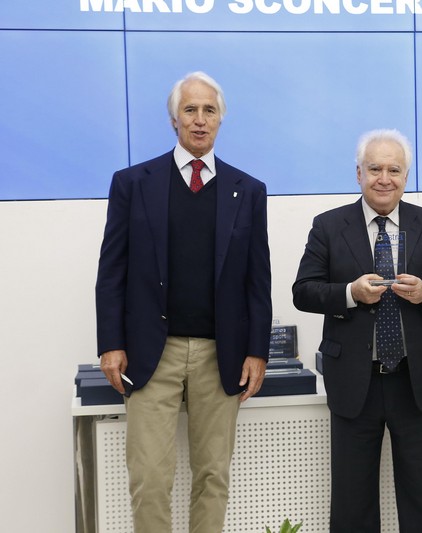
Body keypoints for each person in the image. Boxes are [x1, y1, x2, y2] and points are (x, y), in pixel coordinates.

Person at [95, 71, 272, 533]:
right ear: (174, 119)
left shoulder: (249, 190)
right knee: (150, 479)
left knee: (213, 477)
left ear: (220, 119)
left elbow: (258, 281)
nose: (199, 119)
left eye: (209, 110)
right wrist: (111, 343)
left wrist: (257, 350)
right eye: (190, 110)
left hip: (221, 354)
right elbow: (111, 271)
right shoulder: (133, 183)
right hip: (151, 352)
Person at [293, 129, 422, 532]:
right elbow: (303, 291)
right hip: (355, 381)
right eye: (374, 169)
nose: (384, 179)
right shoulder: (328, 226)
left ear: (406, 176)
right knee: (352, 502)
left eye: (394, 170)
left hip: (413, 378)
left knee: (421, 498)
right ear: (359, 173)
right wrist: (350, 293)